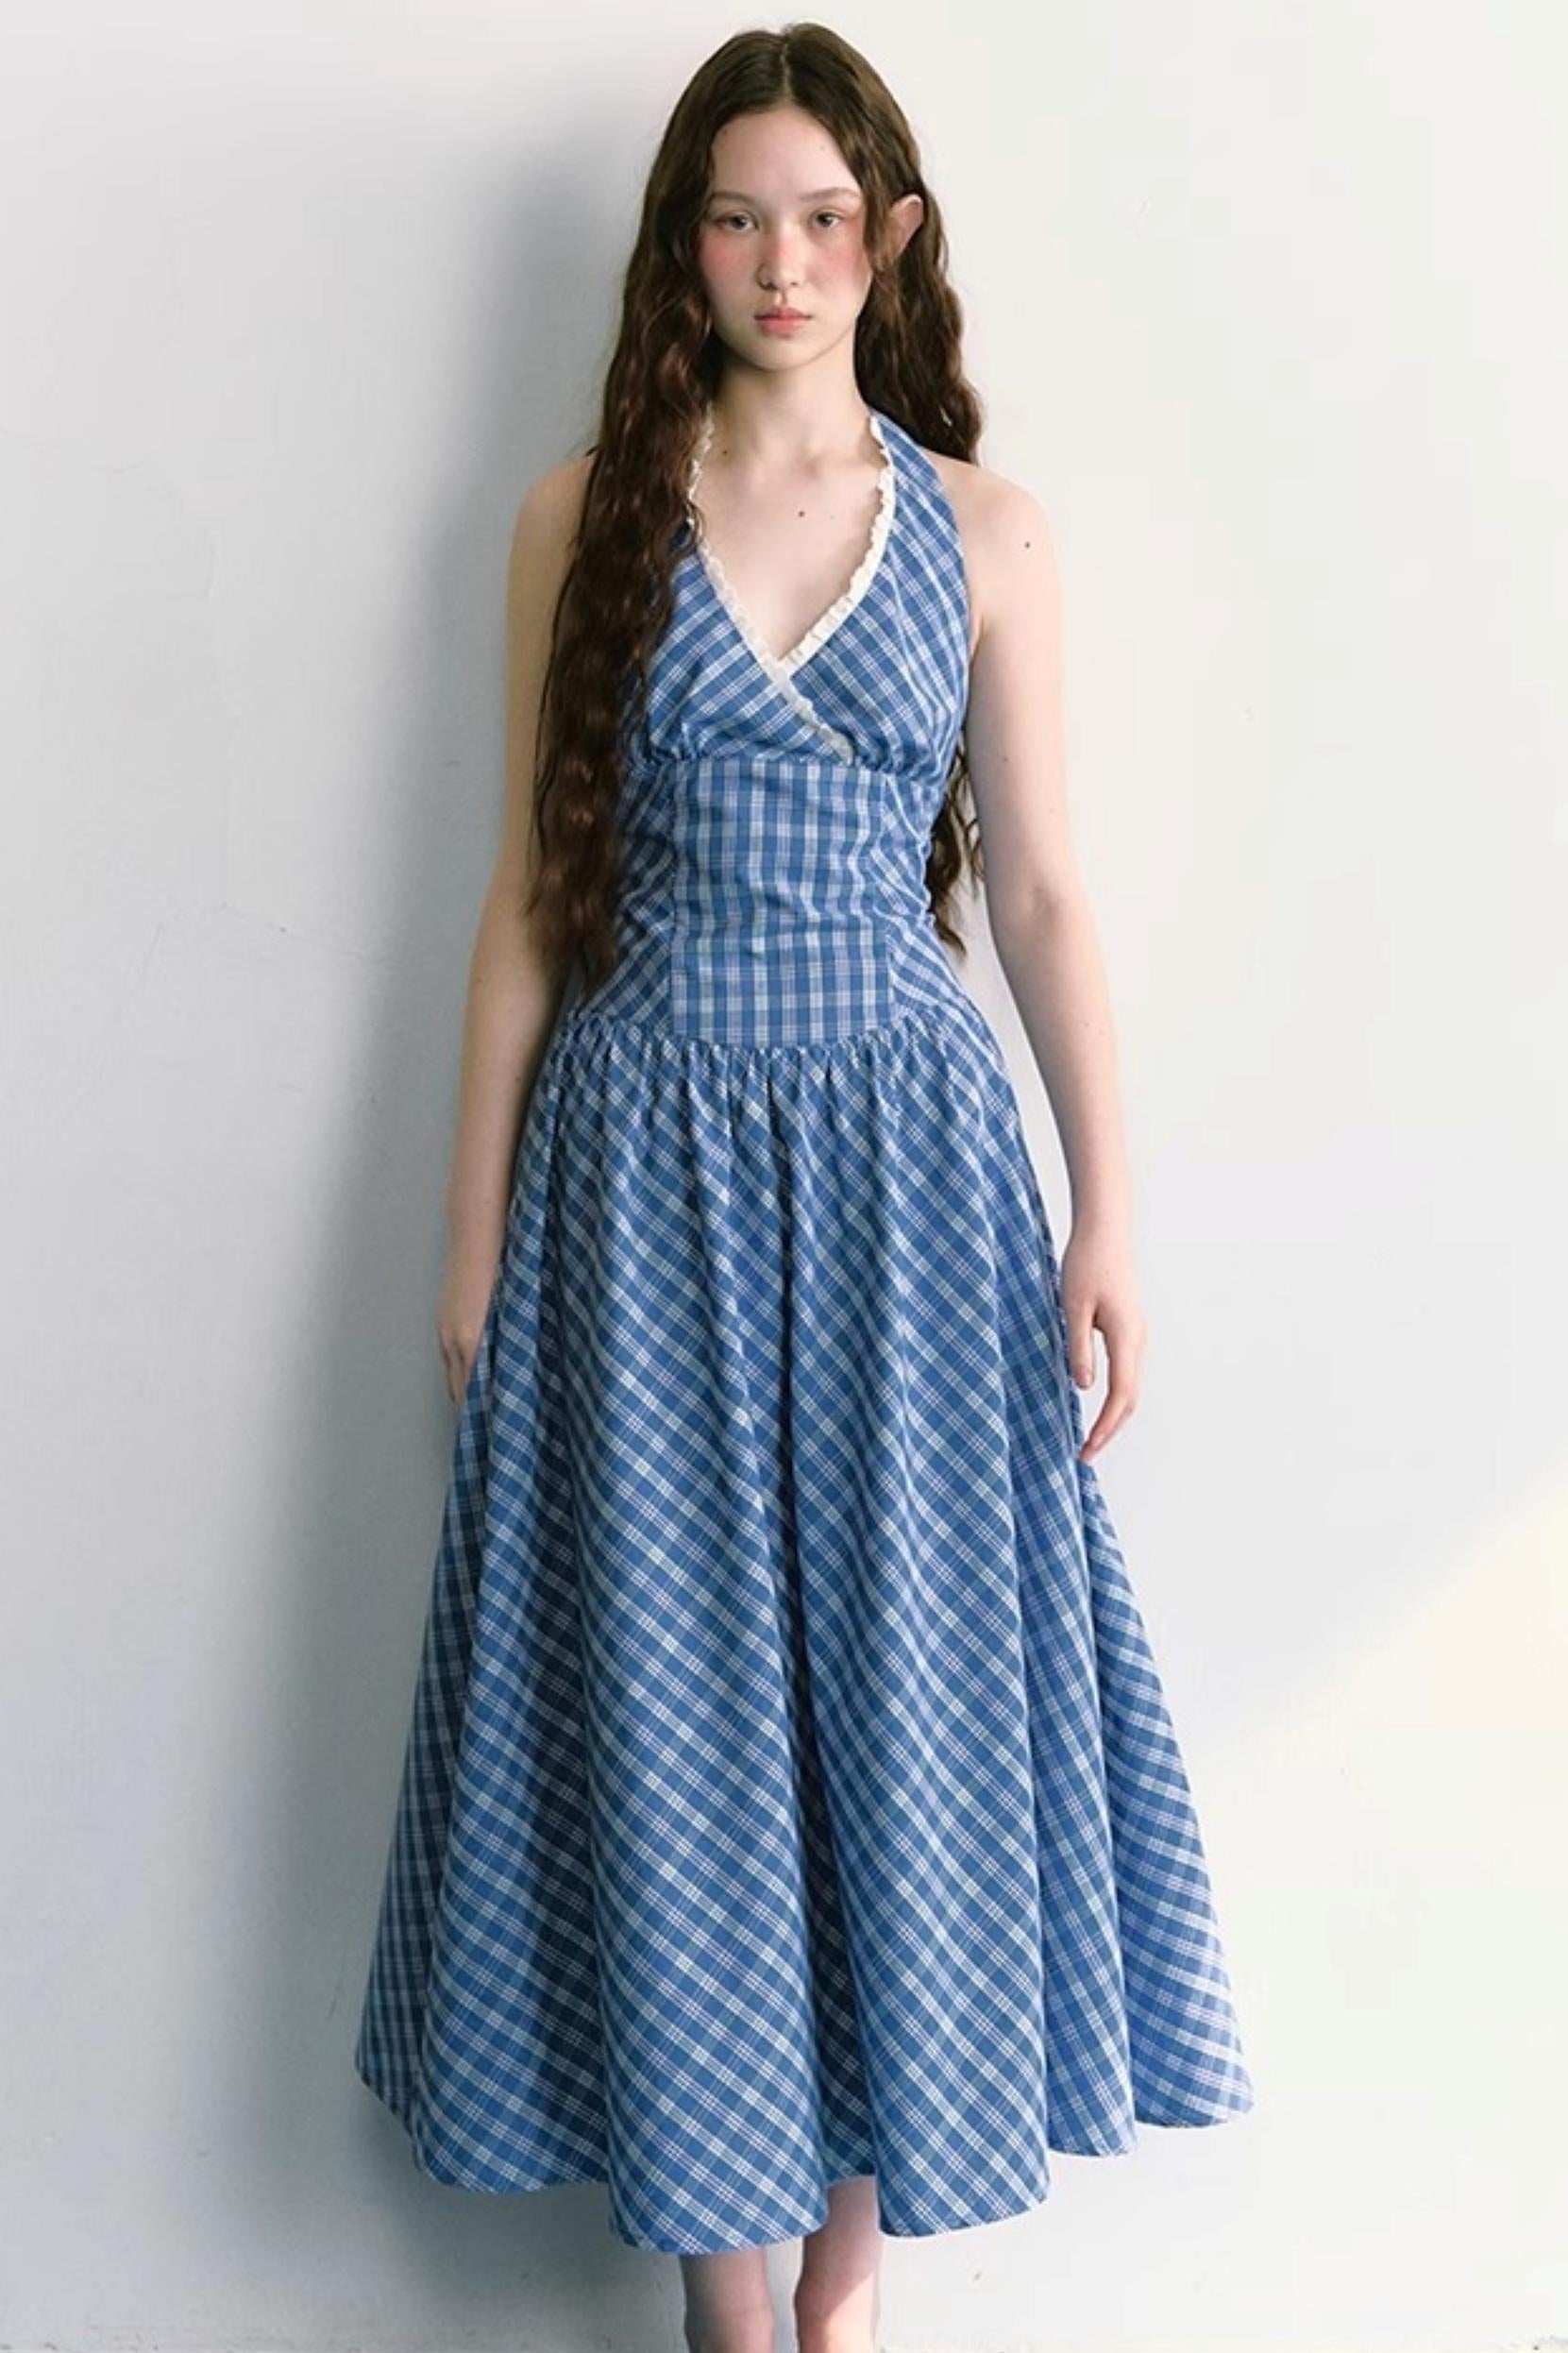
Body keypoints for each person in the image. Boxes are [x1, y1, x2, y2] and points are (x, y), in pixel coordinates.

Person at [353, 25, 1255, 2353]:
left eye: (824, 219)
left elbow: (1041, 896)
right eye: (739, 217)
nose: (782, 261)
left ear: (892, 241)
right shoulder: (579, 516)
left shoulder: (986, 531)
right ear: (686, 243)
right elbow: (527, 899)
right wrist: (470, 1239)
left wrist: (1108, 1210)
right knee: (681, 1712)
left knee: (907, 1691)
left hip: (912, 1182)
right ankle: (730, 2306)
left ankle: (842, 2279)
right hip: (637, 1172)